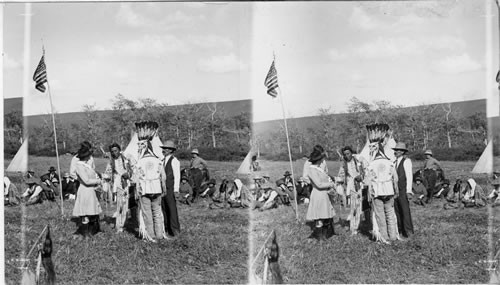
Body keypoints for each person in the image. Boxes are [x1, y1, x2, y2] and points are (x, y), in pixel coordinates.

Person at [366, 124, 399, 244]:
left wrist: (370, 190)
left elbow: (367, 181)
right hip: (389, 191)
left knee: (380, 215)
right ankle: (393, 236)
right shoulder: (390, 162)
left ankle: (384, 237)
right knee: (390, 213)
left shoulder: (371, 165)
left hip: (377, 192)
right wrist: (395, 190)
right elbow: (395, 178)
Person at [135, 132, 167, 242]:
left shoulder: (139, 162)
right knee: (157, 212)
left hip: (145, 189)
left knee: (147, 213)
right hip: (157, 188)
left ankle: (150, 236)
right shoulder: (158, 160)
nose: (138, 148)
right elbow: (163, 177)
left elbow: (137, 178)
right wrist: (163, 188)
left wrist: (137, 190)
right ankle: (159, 234)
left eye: (140, 146)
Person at [305, 145, 336, 241]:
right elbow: (318, 184)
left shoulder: (318, 169)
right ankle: (319, 237)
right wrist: (330, 184)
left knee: (324, 215)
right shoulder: (312, 170)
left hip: (324, 195)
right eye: (321, 159)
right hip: (318, 194)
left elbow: (324, 178)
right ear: (318, 160)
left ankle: (324, 235)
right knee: (319, 217)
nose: (323, 161)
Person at [72, 144, 103, 239]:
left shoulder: (86, 165)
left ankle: (91, 231)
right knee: (85, 212)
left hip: (91, 191)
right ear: (85, 156)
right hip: (85, 190)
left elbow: (92, 175)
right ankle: (84, 233)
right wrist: (98, 181)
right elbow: (86, 180)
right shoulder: (79, 166)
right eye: (88, 154)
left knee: (91, 211)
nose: (90, 156)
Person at [338, 146, 367, 235]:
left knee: (361, 207)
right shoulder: (344, 164)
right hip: (351, 187)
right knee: (353, 207)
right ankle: (353, 227)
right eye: (345, 154)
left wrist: (362, 177)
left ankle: (359, 226)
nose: (347, 156)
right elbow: (341, 176)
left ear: (351, 153)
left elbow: (366, 169)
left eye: (348, 153)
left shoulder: (358, 160)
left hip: (361, 186)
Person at [104, 143, 133, 233]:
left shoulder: (126, 159)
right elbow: (107, 173)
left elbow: (133, 168)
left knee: (126, 205)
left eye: (115, 150)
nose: (114, 153)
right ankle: (119, 226)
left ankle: (124, 224)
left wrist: (128, 174)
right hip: (118, 186)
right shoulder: (111, 162)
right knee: (119, 206)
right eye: (112, 151)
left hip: (127, 184)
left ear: (119, 150)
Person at [392, 142, 414, 239]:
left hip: (403, 189)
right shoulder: (393, 163)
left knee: (405, 210)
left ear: (403, 152)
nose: (397, 152)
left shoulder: (406, 161)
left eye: (399, 150)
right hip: (395, 191)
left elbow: (409, 176)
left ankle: (408, 231)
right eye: (396, 150)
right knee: (397, 210)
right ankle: (399, 230)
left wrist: (408, 190)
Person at [160, 140, 181, 238]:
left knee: (172, 209)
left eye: (166, 148)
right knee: (164, 209)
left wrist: (176, 190)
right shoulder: (162, 161)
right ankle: (166, 229)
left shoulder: (174, 161)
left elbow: (177, 176)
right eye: (164, 148)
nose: (164, 150)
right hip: (162, 189)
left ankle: (175, 230)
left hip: (170, 188)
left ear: (171, 150)